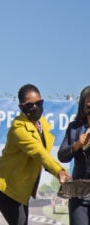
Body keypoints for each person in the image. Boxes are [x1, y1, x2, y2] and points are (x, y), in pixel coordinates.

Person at [0, 84, 72, 225]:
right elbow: (39, 152)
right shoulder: (18, 128)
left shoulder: (43, 125)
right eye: (30, 105)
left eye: (38, 103)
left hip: (20, 187)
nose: (35, 107)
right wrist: (59, 171)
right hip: (3, 185)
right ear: (21, 107)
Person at [58, 85, 90, 225]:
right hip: (79, 196)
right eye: (88, 101)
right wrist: (77, 145)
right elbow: (62, 156)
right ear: (83, 104)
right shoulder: (74, 128)